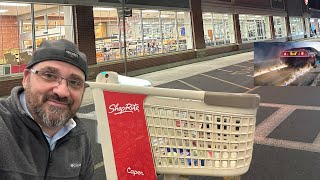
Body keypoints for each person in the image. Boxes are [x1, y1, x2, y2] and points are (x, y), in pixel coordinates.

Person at [0, 39, 94, 179]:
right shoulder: (3, 127)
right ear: (26, 78)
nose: (62, 91)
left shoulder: (79, 138)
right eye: (49, 75)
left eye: (74, 82)